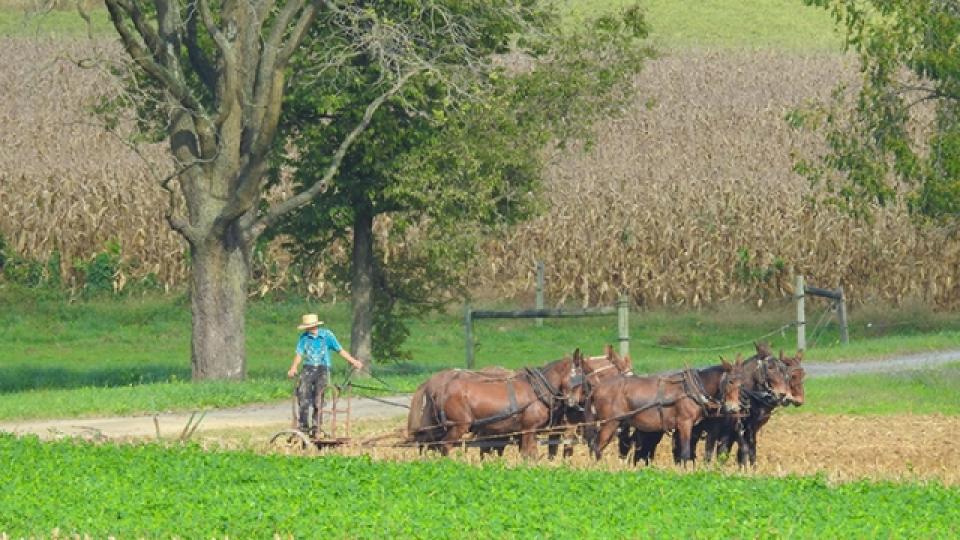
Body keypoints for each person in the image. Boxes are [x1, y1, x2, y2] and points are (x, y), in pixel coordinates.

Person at [287, 313, 364, 434]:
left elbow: (340, 350)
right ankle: (303, 426)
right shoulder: (304, 338)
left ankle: (316, 427)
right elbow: (299, 354)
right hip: (308, 368)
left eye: (312, 326)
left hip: (322, 368)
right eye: (308, 327)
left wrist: (353, 361)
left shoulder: (327, 335)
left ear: (316, 325)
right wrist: (293, 367)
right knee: (303, 396)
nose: (310, 329)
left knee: (318, 399)